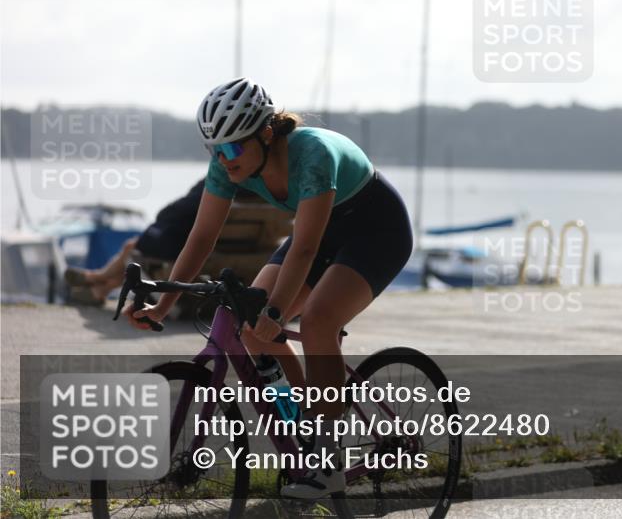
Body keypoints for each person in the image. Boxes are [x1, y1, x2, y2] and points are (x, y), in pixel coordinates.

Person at [121, 78, 414, 499]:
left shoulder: (311, 154)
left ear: (265, 132)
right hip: (324, 232)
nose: (223, 160)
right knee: (248, 328)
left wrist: (276, 312)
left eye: (232, 148)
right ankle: (308, 420)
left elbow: (306, 247)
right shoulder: (228, 165)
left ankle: (327, 462)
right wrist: (163, 306)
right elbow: (202, 237)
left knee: (316, 322)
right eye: (213, 150)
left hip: (375, 230)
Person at [64, 179, 206, 304]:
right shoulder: (217, 186)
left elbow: (173, 210)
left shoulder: (214, 183)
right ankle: (100, 287)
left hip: (181, 246)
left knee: (132, 250)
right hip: (189, 244)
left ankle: (98, 279)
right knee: (133, 254)